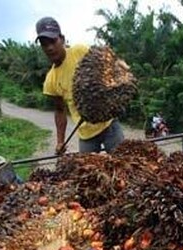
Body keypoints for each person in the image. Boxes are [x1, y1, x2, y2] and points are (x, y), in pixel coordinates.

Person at [35, 17, 125, 154]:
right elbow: (60, 111)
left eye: (53, 41)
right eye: (44, 44)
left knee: (124, 163)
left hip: (109, 125)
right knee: (86, 172)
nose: (50, 47)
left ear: (62, 39)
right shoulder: (51, 80)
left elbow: (106, 64)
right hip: (86, 135)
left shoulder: (80, 51)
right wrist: (60, 141)